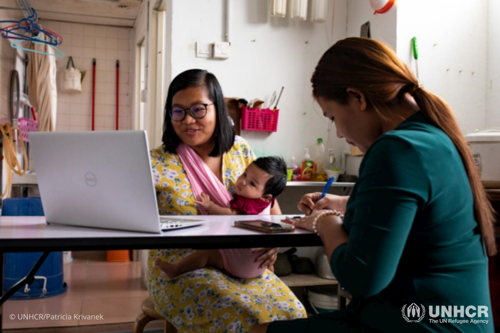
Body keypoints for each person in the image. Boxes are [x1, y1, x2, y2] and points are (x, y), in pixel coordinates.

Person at [251, 37, 496, 333]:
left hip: (418, 323)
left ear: (357, 98)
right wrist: (345, 204)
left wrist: (323, 222)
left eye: (333, 117)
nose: (339, 133)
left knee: (259, 330)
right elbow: (416, 212)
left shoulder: (396, 148)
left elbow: (361, 279)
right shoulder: (434, 137)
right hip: (447, 319)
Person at [148, 69, 307, 332]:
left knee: (293, 315)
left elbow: (270, 207)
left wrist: (275, 243)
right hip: (182, 267)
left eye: (198, 109)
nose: (188, 120)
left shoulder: (240, 150)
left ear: (217, 109)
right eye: (178, 111)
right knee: (237, 316)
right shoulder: (156, 162)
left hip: (246, 265)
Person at [154, 156, 287, 281]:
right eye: (245, 174)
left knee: (206, 254)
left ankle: (177, 269)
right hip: (261, 264)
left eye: (252, 183)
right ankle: (270, 273)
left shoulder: (248, 204)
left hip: (241, 262)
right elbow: (279, 221)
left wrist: (209, 206)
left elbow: (230, 215)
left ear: (266, 196)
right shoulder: (269, 202)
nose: (243, 181)